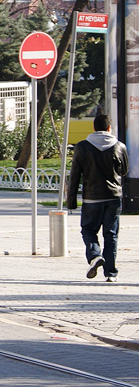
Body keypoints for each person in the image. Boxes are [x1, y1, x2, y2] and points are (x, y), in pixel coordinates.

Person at [67, 113, 129, 282]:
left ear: (94, 128)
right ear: (109, 128)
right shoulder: (120, 146)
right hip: (113, 198)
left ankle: (95, 256)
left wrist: (71, 201)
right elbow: (123, 171)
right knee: (111, 235)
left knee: (88, 230)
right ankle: (111, 274)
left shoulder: (82, 147)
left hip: (91, 198)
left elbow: (75, 175)